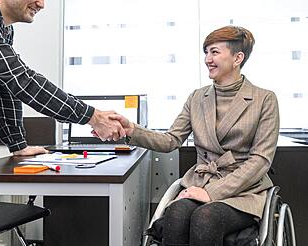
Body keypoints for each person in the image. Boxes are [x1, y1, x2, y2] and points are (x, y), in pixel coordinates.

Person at [111, 26, 279, 246]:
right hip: (201, 183)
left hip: (243, 191)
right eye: (206, 52)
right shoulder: (197, 98)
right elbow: (171, 140)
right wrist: (131, 130)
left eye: (215, 52)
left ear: (238, 58)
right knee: (176, 214)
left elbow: (260, 160)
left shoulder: (264, 99)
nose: (208, 59)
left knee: (205, 218)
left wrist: (211, 192)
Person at [0, 0, 124, 156]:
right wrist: (93, 117)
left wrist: (18, 145)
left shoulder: (2, 29)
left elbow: (5, 85)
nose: (41, 4)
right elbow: (22, 81)